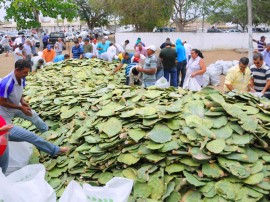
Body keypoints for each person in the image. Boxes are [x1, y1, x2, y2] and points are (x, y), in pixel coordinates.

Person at [0, 60, 69, 174]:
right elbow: (2, 102)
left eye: (28, 72)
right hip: (4, 114)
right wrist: (20, 108)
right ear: (17, 70)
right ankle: (54, 150)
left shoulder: (22, 78)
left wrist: (22, 102)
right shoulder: (6, 83)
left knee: (33, 114)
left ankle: (46, 131)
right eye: (25, 72)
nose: (27, 75)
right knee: (22, 141)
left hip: (15, 106)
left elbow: (20, 91)